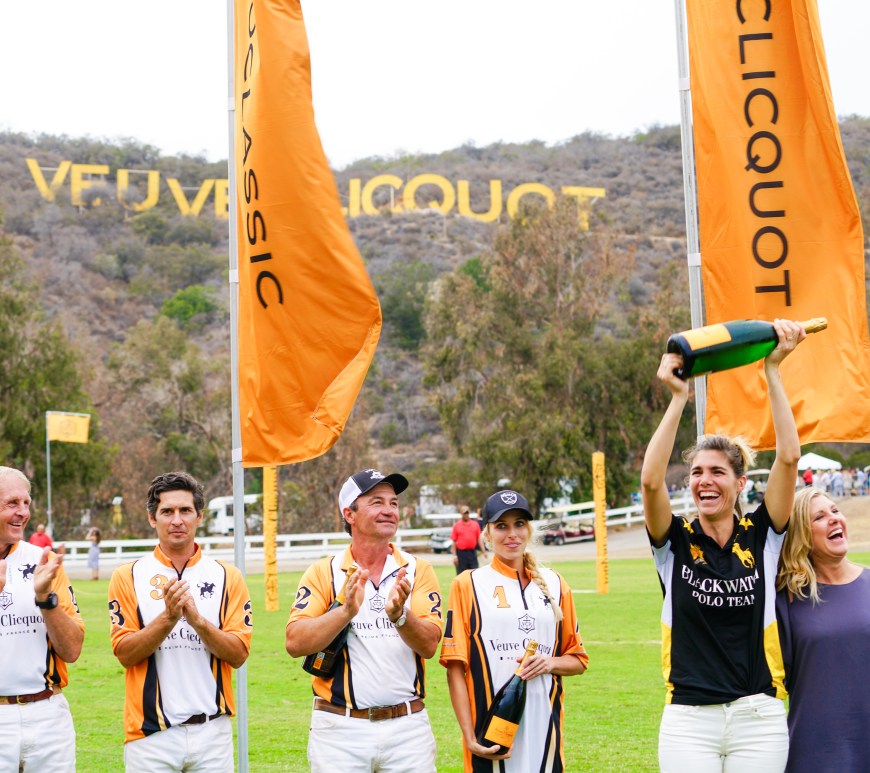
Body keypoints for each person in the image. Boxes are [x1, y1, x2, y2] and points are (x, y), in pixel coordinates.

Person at [640, 318, 805, 772]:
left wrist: (772, 371)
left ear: (739, 482)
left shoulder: (762, 535)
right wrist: (678, 398)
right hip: (689, 719)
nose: (704, 481)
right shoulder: (674, 542)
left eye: (716, 472)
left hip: (759, 715)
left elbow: (789, 458)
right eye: (696, 472)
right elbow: (651, 482)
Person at [286, 469, 442, 773]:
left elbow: (430, 645)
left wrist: (400, 617)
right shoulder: (323, 571)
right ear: (350, 514)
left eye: (394, 503)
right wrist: (344, 611)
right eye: (376, 502)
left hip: (408, 730)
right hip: (339, 730)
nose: (389, 510)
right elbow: (295, 642)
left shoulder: (417, 569)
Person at [108, 471, 253, 772]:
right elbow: (125, 654)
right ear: (152, 518)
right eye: (167, 511)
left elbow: (238, 654)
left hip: (213, 732)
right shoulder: (128, 576)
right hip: (150, 737)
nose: (177, 520)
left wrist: (198, 621)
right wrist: (169, 618)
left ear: (199, 516)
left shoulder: (227, 576)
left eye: (185, 510)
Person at [441, 489, 588, 772]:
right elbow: (455, 669)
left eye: (519, 524)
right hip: (490, 730)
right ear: (486, 533)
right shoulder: (467, 584)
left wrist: (550, 663)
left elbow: (578, 660)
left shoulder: (556, 584)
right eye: (501, 526)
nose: (512, 534)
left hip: (544, 727)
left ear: (529, 529)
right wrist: (469, 736)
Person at [776, 487, 870, 770]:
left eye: (835, 511)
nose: (833, 519)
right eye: (819, 516)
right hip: (816, 752)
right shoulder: (787, 598)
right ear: (802, 535)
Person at [0, 466, 84, 772]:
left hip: (47, 715)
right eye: (12, 503)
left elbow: (72, 650)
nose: (22, 512)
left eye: (26, 503)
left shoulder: (43, 562)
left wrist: (45, 599)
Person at [451, 504, 488, 573]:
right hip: (461, 554)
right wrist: (454, 556)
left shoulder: (475, 524)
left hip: (472, 553)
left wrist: (484, 551)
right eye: (464, 513)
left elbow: (479, 539)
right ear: (461, 514)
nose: (466, 515)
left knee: (474, 573)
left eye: (467, 513)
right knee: (461, 574)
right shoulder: (457, 525)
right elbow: (453, 541)